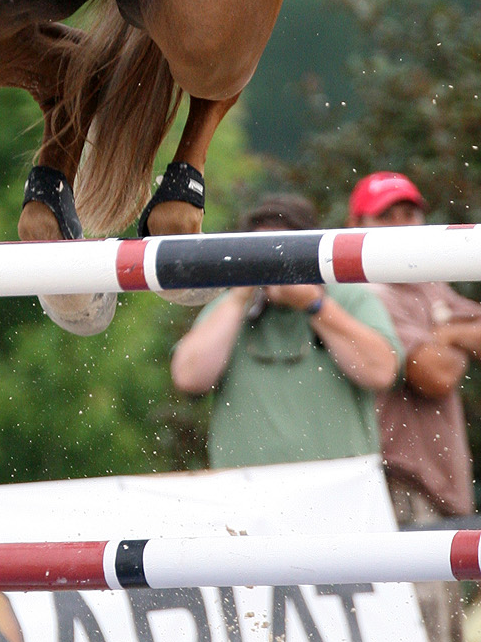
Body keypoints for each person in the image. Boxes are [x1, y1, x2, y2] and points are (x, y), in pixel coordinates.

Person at [350, 170, 481, 642]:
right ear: (360, 228)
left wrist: (440, 329)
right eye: (388, 217)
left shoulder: (427, 287)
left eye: (410, 213)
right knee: (422, 627)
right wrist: (453, 335)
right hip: (398, 480)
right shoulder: (371, 293)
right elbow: (435, 372)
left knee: (448, 628)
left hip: (440, 484)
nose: (404, 226)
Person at [171, 193, 402, 468]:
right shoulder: (232, 306)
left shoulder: (349, 298)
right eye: (262, 253)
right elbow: (189, 377)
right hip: (246, 493)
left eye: (285, 252)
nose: (274, 265)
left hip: (339, 491)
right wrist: (239, 296)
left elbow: (382, 371)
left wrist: (315, 305)